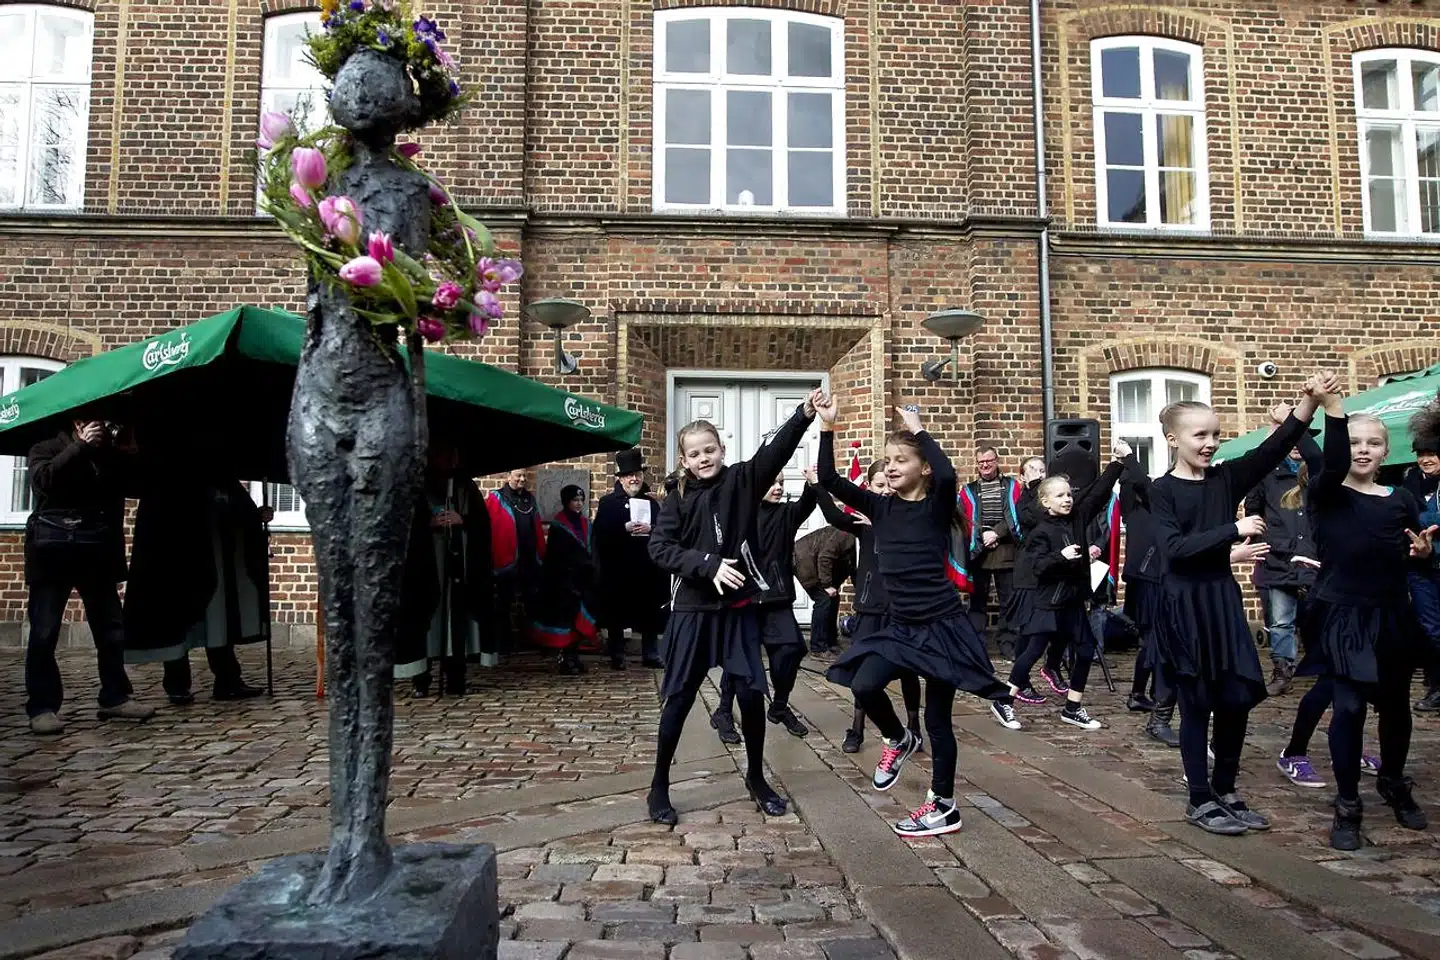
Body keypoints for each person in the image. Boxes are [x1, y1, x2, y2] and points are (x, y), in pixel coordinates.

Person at [817, 396, 1014, 839]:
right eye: (887, 460)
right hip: (900, 627)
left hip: (942, 625)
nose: (890, 467)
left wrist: (920, 430)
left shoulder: (937, 505)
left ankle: (943, 805)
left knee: (938, 720)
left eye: (900, 460)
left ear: (922, 468)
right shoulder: (880, 506)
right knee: (864, 684)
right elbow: (828, 479)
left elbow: (947, 474)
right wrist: (827, 428)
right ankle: (898, 738)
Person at [1149, 376, 1330, 836]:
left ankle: (1225, 789)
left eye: (1215, 434)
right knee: (1196, 703)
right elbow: (1174, 550)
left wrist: (1308, 401)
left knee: (1236, 698)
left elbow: (1277, 446)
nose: (1210, 443)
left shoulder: (1226, 478)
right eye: (1200, 435)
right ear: (1173, 440)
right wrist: (1233, 531)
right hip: (1184, 605)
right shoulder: (1161, 490)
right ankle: (1198, 798)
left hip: (1222, 601)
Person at [646, 394, 818, 825]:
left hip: (737, 610)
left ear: (722, 450)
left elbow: (775, 453)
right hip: (693, 611)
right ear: (684, 460)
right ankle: (659, 785)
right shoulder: (677, 498)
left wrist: (803, 415)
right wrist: (708, 565)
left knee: (751, 696)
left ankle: (756, 777)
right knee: (679, 699)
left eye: (710, 450)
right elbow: (660, 548)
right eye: (694, 454)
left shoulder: (742, 480)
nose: (703, 458)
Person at [1300, 388, 1434, 849]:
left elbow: (1414, 555)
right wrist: (1332, 410)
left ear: (1386, 452)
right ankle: (1348, 803)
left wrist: (1423, 554)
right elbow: (1332, 460)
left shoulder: (1401, 499)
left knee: (1395, 707)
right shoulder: (1327, 492)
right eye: (1354, 441)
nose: (1362, 449)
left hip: (1392, 615)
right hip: (1342, 614)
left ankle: (1393, 781)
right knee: (1350, 708)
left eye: (1372, 443)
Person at [23, 419, 154, 734]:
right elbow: (43, 480)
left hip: (96, 551)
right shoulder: (47, 447)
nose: (103, 428)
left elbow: (141, 487)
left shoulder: (111, 454)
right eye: (96, 421)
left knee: (111, 630)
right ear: (78, 422)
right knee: (44, 631)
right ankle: (42, 707)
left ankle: (115, 696)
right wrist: (80, 447)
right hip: (52, 552)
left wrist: (132, 454)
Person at [123, 440, 269, 705]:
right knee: (178, 622)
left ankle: (227, 680)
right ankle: (177, 684)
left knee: (219, 621)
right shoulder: (169, 472)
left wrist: (255, 517)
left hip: (214, 561)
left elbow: (234, 508)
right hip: (180, 561)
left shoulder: (221, 475)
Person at [1002, 444, 1129, 730]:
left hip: (1072, 599)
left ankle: (1073, 707)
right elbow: (1038, 567)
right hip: (1048, 601)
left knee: (1085, 650)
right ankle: (1004, 700)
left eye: (1069, 494)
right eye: (1060, 496)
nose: (1068, 499)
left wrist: (1117, 464)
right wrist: (1061, 556)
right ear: (1046, 502)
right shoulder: (1040, 531)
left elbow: (1097, 493)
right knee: (1033, 651)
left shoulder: (1078, 517)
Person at [812, 461, 923, 754]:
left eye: (889, 485)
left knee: (908, 669)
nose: (885, 490)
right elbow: (834, 515)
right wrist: (815, 485)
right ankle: (857, 728)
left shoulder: (908, 516)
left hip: (900, 609)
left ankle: (914, 726)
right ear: (870, 487)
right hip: (870, 609)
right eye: (878, 485)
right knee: (862, 673)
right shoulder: (864, 521)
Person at [711, 473, 816, 741]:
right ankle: (723, 711)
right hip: (744, 599)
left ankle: (779, 706)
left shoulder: (786, 514)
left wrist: (813, 482)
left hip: (776, 598)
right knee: (738, 659)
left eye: (781, 483)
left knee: (792, 649)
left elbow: (807, 503)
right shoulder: (740, 514)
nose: (778, 488)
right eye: (772, 482)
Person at [394, 442, 493, 696]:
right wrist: (427, 523)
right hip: (425, 568)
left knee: (456, 624)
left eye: (451, 454)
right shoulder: (415, 485)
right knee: (423, 624)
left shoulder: (465, 487)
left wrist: (462, 520)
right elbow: (400, 522)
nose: (448, 459)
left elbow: (482, 525)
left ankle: (455, 675)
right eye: (442, 454)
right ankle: (421, 678)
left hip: (457, 568)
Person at [1243, 414, 1319, 697]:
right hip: (1279, 556)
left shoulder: (1318, 471)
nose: (1297, 446)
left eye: (1302, 439)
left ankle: (1322, 665)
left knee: (1318, 615)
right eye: (1291, 440)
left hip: (1313, 554)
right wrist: (1263, 539)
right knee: (1281, 620)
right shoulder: (1267, 473)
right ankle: (1283, 670)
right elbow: (1253, 510)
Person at [593, 448, 667, 670]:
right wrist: (622, 528)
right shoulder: (608, 503)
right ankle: (617, 654)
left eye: (638, 474)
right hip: (618, 569)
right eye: (629, 475)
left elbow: (665, 531)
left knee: (649, 613)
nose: (634, 479)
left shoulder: (652, 503)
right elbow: (599, 533)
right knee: (616, 613)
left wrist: (651, 528)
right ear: (621, 479)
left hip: (646, 568)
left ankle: (650, 653)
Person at [959, 447, 1024, 656]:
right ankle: (976, 646)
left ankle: (1008, 644)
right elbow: (964, 519)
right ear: (977, 464)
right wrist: (984, 535)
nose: (985, 465)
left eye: (989, 460)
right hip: (979, 552)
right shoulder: (968, 490)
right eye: (981, 462)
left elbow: (1017, 515)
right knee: (977, 602)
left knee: (1008, 601)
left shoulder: (1012, 486)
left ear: (997, 460)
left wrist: (996, 533)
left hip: (1006, 550)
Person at [529, 484, 598, 674]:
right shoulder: (559, 526)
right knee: (566, 621)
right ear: (567, 502)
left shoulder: (585, 524)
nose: (579, 504)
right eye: (575, 500)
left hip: (583, 579)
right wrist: (565, 577)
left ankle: (574, 656)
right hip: (564, 581)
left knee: (577, 621)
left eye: (581, 500)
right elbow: (555, 556)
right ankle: (565, 658)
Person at [1404, 398, 1440, 712]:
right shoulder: (1409, 483)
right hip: (1420, 568)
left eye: (1431, 453)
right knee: (1430, 628)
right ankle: (1436, 686)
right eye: (1421, 454)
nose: (1426, 460)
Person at [487, 468, 545, 653]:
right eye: (518, 475)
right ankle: (503, 643)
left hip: (528, 559)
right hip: (506, 560)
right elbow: (489, 528)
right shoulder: (497, 498)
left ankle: (532, 640)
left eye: (524, 475)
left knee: (532, 601)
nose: (522, 479)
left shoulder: (529, 498)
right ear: (508, 476)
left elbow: (536, 526)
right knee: (504, 602)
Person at [793, 507, 856, 655]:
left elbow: (853, 566)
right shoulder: (844, 533)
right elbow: (825, 557)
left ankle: (830, 641)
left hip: (814, 561)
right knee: (824, 599)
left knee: (833, 598)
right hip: (805, 560)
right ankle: (818, 647)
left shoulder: (856, 536)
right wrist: (827, 585)